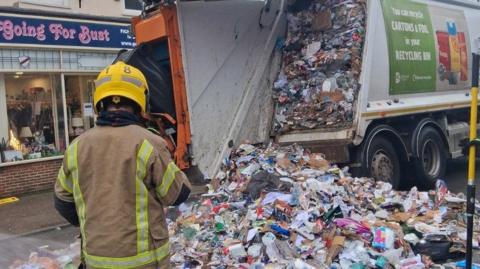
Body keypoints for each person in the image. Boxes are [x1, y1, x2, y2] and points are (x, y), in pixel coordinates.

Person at [54, 61, 191, 269]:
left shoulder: (76, 147)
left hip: (95, 261)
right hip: (145, 262)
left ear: (99, 100)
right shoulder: (150, 143)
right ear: (141, 100)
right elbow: (177, 193)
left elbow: (62, 201)